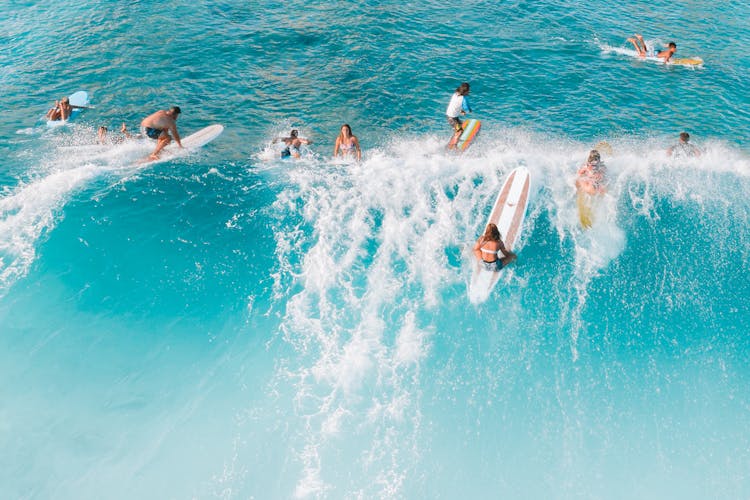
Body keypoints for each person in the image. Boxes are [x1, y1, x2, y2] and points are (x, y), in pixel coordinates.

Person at [446, 82, 472, 149]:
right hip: (451, 118)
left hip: (452, 115)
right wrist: (469, 110)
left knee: (461, 125)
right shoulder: (463, 98)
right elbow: (467, 109)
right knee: (459, 131)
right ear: (465, 91)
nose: (469, 91)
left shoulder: (456, 93)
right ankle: (455, 146)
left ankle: (456, 136)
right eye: (468, 90)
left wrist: (461, 111)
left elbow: (455, 105)